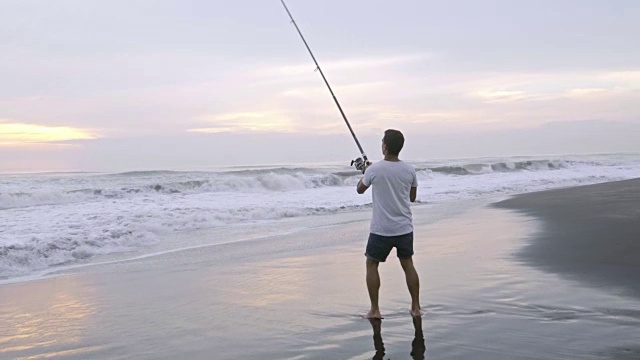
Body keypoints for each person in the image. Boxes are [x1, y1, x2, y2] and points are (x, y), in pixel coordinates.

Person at [357, 129, 421, 319]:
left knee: (372, 264)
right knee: (408, 264)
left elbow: (360, 189)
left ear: (385, 146)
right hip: (404, 228)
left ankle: (375, 310)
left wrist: (365, 172)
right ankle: (416, 308)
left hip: (381, 229)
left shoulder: (374, 169)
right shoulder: (409, 169)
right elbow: (412, 197)